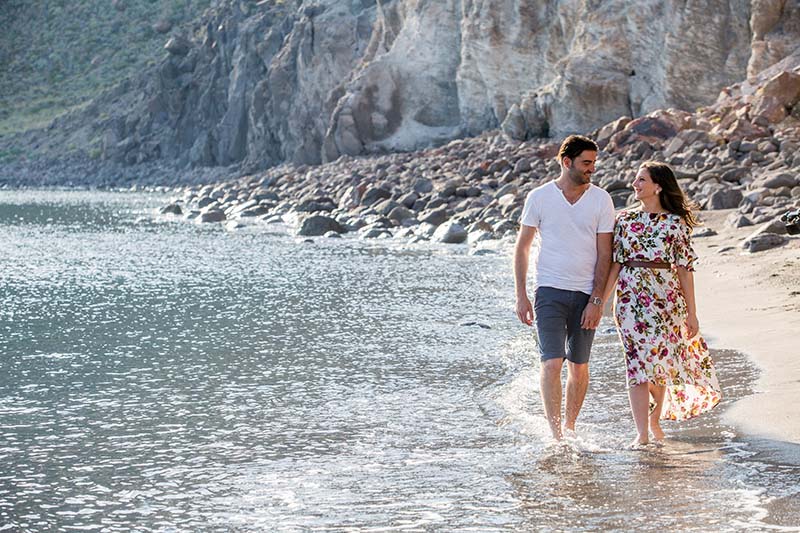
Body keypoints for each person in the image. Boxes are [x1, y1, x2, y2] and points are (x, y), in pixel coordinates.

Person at [603, 161, 721, 447]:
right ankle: (642, 433)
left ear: (657, 186)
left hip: (666, 300)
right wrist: (601, 301)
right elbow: (616, 263)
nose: (635, 185)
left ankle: (655, 421)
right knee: (637, 364)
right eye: (636, 180)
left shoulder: (675, 223)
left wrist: (692, 313)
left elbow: (683, 269)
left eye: (641, 180)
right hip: (630, 300)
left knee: (659, 363)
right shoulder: (624, 220)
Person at [514, 135, 615, 440]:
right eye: (586, 163)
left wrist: (597, 301)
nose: (592, 169)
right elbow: (523, 248)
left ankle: (570, 426)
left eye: (594, 163)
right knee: (552, 362)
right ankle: (556, 434)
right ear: (566, 162)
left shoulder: (601, 200)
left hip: (586, 294)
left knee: (579, 366)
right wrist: (521, 296)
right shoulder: (539, 197)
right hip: (549, 291)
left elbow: (605, 254)